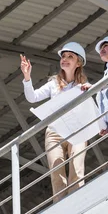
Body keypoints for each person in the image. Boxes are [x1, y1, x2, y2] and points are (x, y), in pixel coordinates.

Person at [20, 42, 89, 203]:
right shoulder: (53, 84)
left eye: (70, 57)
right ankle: (60, 208)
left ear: (78, 63)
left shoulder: (83, 86)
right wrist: (27, 77)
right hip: (55, 131)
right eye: (63, 56)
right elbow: (33, 98)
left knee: (77, 168)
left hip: (77, 129)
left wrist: (88, 90)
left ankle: (76, 203)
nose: (65, 59)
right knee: (57, 172)